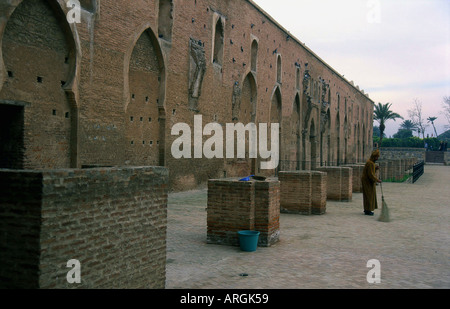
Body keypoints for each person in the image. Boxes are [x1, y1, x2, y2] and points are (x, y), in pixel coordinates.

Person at [361, 149, 382, 216]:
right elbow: (370, 174)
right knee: (369, 195)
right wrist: (377, 180)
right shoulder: (370, 163)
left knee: (368, 195)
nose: (377, 158)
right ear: (374, 157)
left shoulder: (371, 163)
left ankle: (367, 209)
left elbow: (370, 171)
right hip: (367, 181)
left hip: (367, 181)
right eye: (376, 157)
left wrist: (375, 168)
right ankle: (368, 210)